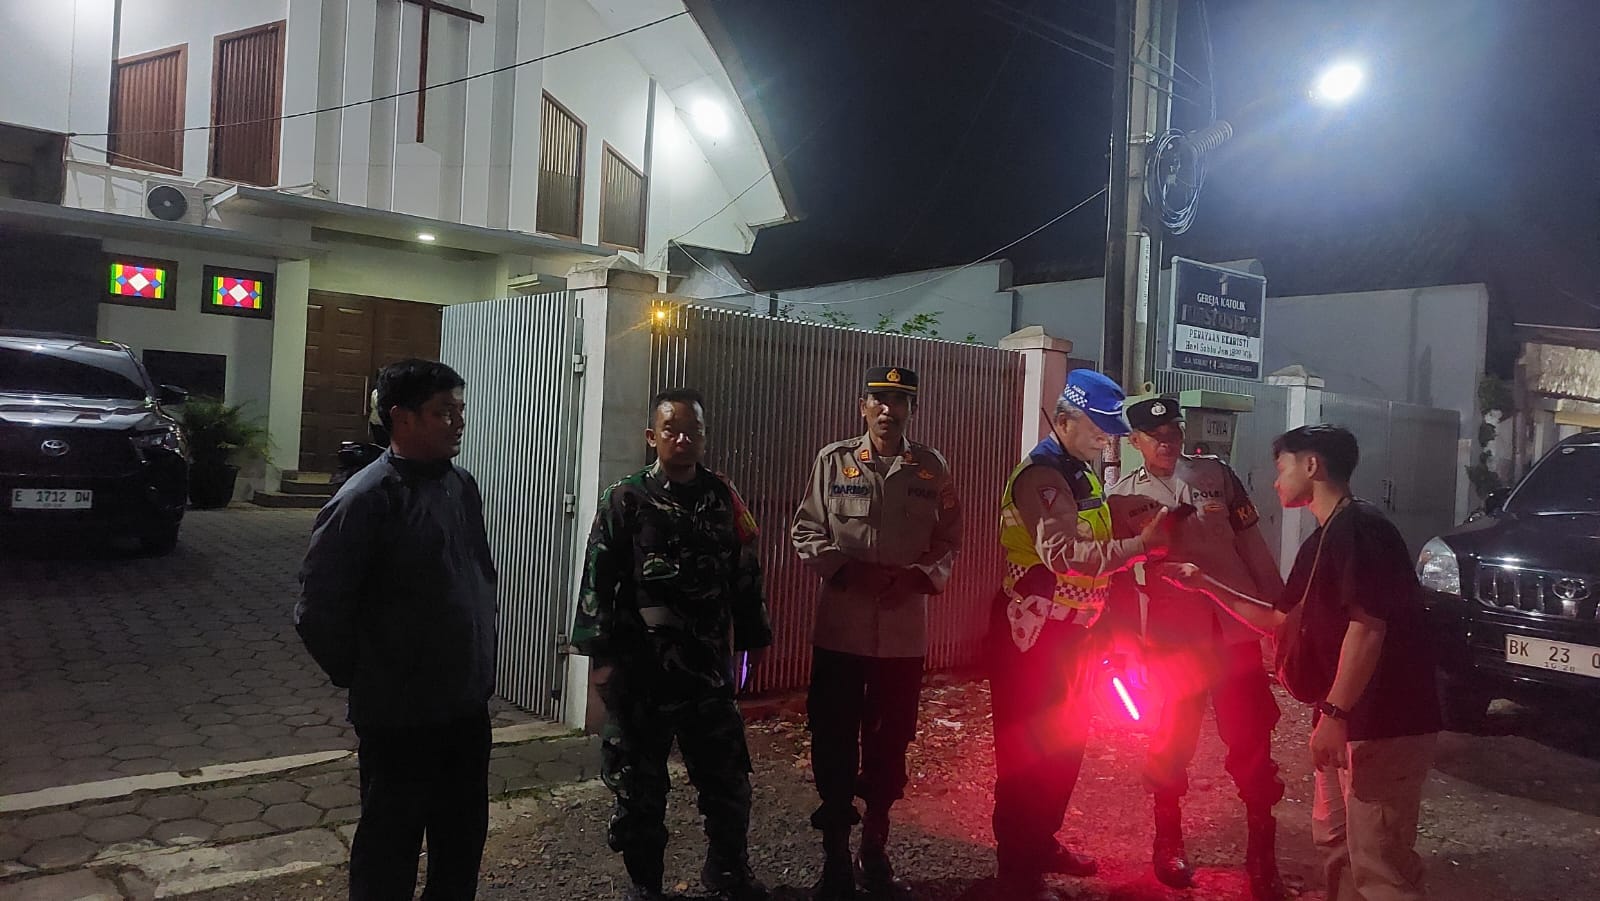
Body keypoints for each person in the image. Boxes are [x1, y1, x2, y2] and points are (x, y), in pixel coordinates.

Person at [1168, 425, 1442, 901]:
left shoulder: (1360, 529)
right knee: (1336, 846)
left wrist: (1334, 713)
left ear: (1311, 465)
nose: (1276, 481)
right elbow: (1279, 618)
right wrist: (1205, 583)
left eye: (1282, 467)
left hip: (1382, 723)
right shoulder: (1322, 541)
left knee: (1379, 865)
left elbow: (1367, 627)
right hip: (1343, 722)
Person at [296, 359, 498, 901]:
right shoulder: (366, 499)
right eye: (443, 412)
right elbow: (318, 609)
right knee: (389, 850)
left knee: (461, 844)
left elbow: (477, 576)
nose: (458, 422)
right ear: (401, 417)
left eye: (459, 410)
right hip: (400, 718)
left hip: (464, 707)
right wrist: (371, 674)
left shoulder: (461, 486)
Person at [572, 388, 774, 901]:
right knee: (639, 788)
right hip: (643, 672)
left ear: (704, 437)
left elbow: (746, 572)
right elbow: (598, 580)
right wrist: (600, 662)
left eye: (693, 431)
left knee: (728, 781)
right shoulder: (625, 499)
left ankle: (727, 871)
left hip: (707, 669)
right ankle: (646, 884)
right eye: (672, 430)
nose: (683, 439)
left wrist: (751, 641)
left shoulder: (723, 498)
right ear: (652, 436)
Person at [988, 370, 1172, 901]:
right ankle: (1017, 871)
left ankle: (1041, 842)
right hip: (1034, 637)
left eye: (1112, 430)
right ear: (1064, 420)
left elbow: (1094, 547)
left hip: (1074, 635)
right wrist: (1142, 545)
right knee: (1028, 755)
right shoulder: (1042, 477)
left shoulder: (1080, 473)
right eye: (1099, 428)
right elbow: (1066, 556)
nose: (1108, 439)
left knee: (1065, 748)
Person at [791, 366, 963, 900]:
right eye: (879, 400)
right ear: (863, 406)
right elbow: (805, 529)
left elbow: (950, 540)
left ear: (913, 409)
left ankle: (875, 846)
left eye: (900, 401)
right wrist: (847, 570)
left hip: (902, 636)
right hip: (841, 632)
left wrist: (918, 576)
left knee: (890, 744)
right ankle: (835, 858)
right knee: (833, 740)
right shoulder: (833, 461)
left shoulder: (931, 468)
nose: (889, 410)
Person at [1107, 398, 1289, 898]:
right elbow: (1119, 579)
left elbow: (1252, 545)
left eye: (1173, 431)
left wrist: (1278, 613)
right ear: (1135, 442)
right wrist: (1126, 642)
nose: (1167, 441)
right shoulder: (1121, 499)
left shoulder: (1217, 477)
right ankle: (1167, 837)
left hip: (1234, 631)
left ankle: (1261, 851)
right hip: (1175, 640)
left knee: (1251, 737)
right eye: (1155, 435)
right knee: (1171, 738)